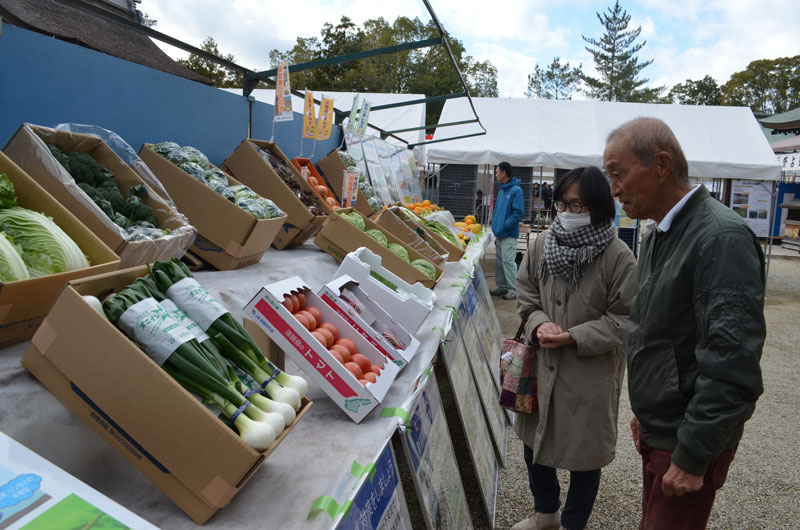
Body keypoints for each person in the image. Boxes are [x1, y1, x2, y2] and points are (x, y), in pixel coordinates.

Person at [603, 117, 765, 530]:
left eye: (618, 174)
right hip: (666, 429)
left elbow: (732, 364)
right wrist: (649, 409)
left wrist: (692, 454)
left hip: (685, 438)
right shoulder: (662, 232)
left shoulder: (720, 238)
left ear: (660, 165)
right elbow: (659, 333)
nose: (614, 189)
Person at [512, 167, 637, 530]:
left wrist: (573, 336)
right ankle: (546, 512)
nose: (567, 212)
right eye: (563, 203)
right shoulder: (542, 244)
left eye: (577, 204)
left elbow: (625, 319)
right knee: (534, 441)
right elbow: (526, 293)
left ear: (598, 206)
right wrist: (538, 323)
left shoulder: (619, 256)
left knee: (586, 455)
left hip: (590, 373)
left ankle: (573, 523)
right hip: (542, 360)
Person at [491, 161, 524, 300]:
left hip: (509, 233)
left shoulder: (516, 191)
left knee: (508, 261)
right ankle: (503, 287)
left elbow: (518, 213)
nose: (496, 174)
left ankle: (513, 289)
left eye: (497, 172)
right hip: (500, 233)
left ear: (504, 173)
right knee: (500, 261)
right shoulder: (502, 189)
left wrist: (505, 225)